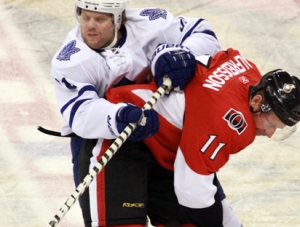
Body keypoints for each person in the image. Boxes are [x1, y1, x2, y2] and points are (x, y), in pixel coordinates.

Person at [49, 0, 240, 226]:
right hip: (104, 142)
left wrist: (184, 54)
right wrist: (119, 117)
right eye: (85, 17)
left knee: (195, 218)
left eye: (99, 19)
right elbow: (80, 113)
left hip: (163, 131)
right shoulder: (70, 59)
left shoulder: (152, 23)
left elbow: (202, 32)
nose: (90, 25)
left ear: (118, 19)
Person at [106, 47, 300, 227]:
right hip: (120, 133)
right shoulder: (233, 124)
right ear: (257, 102)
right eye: (272, 124)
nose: (269, 134)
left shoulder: (249, 72)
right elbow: (192, 190)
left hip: (164, 149)